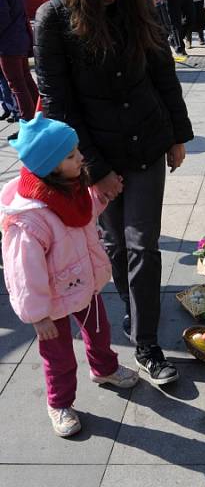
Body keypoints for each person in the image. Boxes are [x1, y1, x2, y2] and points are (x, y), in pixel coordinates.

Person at [34, 0, 194, 386]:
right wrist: (96, 169)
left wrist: (177, 133)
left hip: (147, 137)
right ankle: (130, 310)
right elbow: (60, 106)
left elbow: (162, 68)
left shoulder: (134, 1)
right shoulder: (54, 19)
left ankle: (146, 344)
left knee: (143, 242)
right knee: (112, 247)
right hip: (93, 151)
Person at [1, 113, 139, 437]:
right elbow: (23, 272)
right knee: (58, 355)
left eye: (77, 150)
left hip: (82, 285)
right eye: (71, 155)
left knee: (100, 332)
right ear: (50, 167)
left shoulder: (70, 187)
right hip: (50, 303)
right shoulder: (30, 219)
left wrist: (101, 196)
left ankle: (104, 369)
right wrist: (38, 315)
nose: (80, 158)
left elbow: (83, 213)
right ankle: (59, 403)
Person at [0, 0, 39, 121]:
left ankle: (29, 124)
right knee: (25, 81)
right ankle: (41, 115)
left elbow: (2, 18)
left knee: (17, 85)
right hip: (19, 38)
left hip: (8, 42)